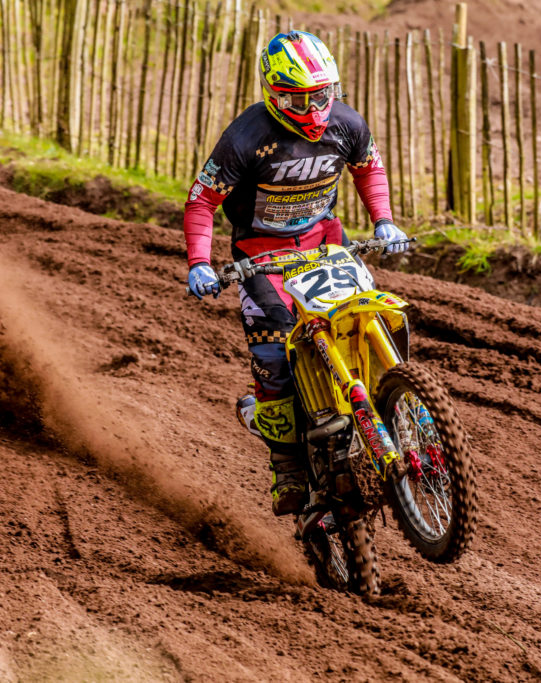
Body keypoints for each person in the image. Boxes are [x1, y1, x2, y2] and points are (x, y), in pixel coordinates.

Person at [183, 31, 409, 516]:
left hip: (326, 242)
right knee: (274, 352)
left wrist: (384, 220)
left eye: (322, 95)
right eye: (300, 99)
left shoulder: (346, 123)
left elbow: (369, 168)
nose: (314, 108)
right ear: (275, 94)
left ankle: (397, 407)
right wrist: (200, 263)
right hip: (261, 253)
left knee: (370, 316)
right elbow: (202, 202)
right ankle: (286, 467)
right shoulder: (246, 137)